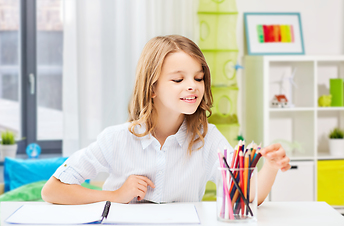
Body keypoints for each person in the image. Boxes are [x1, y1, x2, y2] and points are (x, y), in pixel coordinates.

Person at [41, 35, 290, 205]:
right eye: (178, 80)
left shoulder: (208, 138)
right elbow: (53, 190)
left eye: (199, 78)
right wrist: (116, 195)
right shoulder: (116, 139)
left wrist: (270, 167)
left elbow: (244, 198)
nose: (192, 86)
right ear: (152, 88)